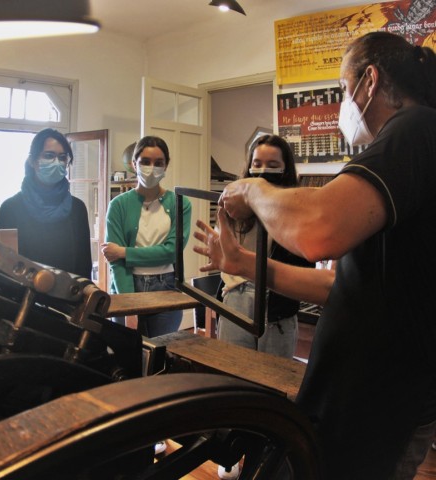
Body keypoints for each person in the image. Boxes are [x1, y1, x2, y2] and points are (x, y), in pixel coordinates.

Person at [193, 32, 436, 480]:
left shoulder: (416, 127)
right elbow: (339, 285)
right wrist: (243, 264)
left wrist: (252, 188)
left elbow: (319, 231)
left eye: (343, 88)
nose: (343, 103)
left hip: (385, 399)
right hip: (355, 393)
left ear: (369, 81)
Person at [218, 134, 314, 359]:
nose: (262, 171)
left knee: (274, 372)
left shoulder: (297, 208)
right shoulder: (234, 203)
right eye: (257, 164)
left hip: (277, 300)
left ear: (285, 168)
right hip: (237, 293)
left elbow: (304, 264)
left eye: (272, 165)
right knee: (232, 368)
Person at [102, 135, 191, 338]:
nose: (152, 168)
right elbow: (115, 262)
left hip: (167, 287)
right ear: (134, 164)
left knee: (161, 349)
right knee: (128, 351)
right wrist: (129, 305)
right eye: (145, 162)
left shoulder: (180, 204)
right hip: (127, 286)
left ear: (166, 165)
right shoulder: (118, 205)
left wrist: (124, 252)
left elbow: (171, 252)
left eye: (158, 163)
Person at [0, 128, 92, 279]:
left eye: (62, 157)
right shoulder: (10, 208)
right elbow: (7, 265)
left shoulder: (77, 208)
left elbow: (84, 264)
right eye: (49, 155)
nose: (57, 162)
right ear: (33, 161)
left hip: (68, 290)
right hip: (25, 291)